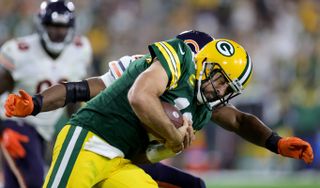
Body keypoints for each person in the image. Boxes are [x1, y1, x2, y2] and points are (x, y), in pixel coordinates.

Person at [4, 34, 314, 187]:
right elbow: (136, 96)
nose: (219, 91)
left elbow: (238, 119)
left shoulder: (203, 102)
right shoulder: (174, 58)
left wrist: (275, 142)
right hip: (90, 140)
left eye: (227, 88)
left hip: (122, 161)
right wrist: (173, 138)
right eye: (218, 80)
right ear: (202, 61)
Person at [5, 30, 212, 188]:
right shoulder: (143, 68)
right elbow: (80, 90)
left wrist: (170, 146)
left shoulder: (201, 101)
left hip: (126, 158)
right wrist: (37, 103)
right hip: (97, 141)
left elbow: (236, 120)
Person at [0, 0, 92, 187]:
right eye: (52, 26)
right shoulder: (19, 51)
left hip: (44, 130)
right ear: (41, 26)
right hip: (17, 123)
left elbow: (74, 97)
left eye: (62, 27)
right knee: (34, 182)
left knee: (15, 183)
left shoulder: (80, 49)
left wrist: (80, 129)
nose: (57, 32)